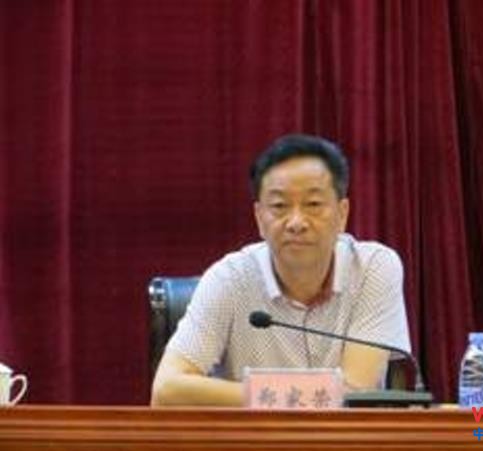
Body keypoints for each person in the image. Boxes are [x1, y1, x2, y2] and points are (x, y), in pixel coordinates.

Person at [151, 134, 411, 406]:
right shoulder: (229, 279)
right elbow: (165, 390)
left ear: (342, 213)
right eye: (279, 206)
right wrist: (276, 397)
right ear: (259, 218)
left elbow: (356, 392)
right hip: (254, 433)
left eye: (313, 204)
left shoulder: (372, 268)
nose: (296, 222)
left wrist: (262, 396)